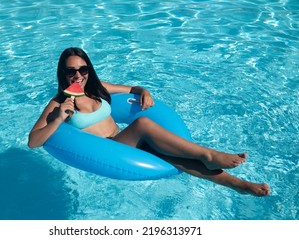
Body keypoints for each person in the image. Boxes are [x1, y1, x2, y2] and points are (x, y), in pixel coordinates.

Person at [28, 47, 270, 197]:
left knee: (177, 160)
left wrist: (144, 91)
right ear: (63, 73)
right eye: (71, 71)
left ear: (89, 69)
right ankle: (208, 153)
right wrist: (59, 118)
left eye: (83, 69)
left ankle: (239, 185)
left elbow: (132, 88)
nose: (78, 76)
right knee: (143, 124)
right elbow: (33, 141)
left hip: (128, 141)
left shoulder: (97, 88)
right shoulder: (58, 103)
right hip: (110, 150)